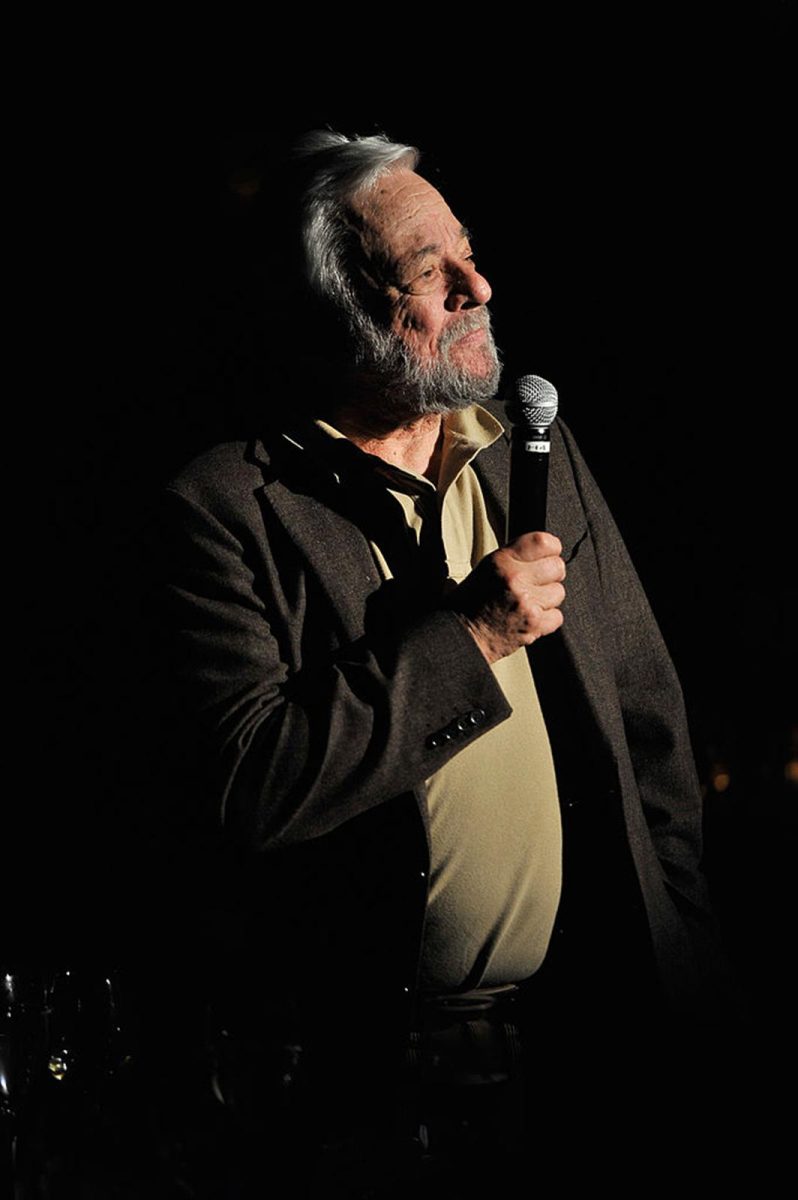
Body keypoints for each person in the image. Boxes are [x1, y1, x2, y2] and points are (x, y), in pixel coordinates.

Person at [162, 131, 731, 1195]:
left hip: (589, 1055)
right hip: (357, 1087)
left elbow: (650, 732)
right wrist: (474, 637)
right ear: (336, 308)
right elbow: (250, 783)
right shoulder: (226, 506)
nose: (480, 284)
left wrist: (685, 971)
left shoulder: (534, 453)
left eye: (467, 252)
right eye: (433, 271)